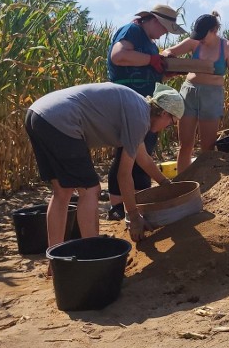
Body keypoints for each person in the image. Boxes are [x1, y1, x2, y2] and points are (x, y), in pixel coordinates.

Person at [24, 82, 185, 257]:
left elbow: (143, 159)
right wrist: (133, 215)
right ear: (163, 113)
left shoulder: (137, 109)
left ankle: (54, 259)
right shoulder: (139, 118)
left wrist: (164, 183)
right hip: (62, 120)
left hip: (38, 114)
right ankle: (94, 255)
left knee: (62, 192)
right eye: (171, 123)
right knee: (91, 190)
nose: (167, 128)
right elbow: (123, 175)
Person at [105, 4, 185, 220]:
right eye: (164, 29)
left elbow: (144, 70)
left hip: (148, 106)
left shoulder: (147, 42)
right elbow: (119, 56)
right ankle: (119, 207)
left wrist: (165, 72)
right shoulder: (132, 31)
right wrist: (152, 60)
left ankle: (136, 201)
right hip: (130, 103)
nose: (163, 34)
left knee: (141, 153)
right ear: (154, 21)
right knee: (127, 156)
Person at [162, 12, 229, 173]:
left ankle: (206, 184)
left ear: (214, 30)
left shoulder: (227, 47)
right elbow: (168, 51)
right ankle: (183, 181)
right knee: (185, 144)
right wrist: (168, 56)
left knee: (208, 147)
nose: (200, 38)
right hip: (189, 93)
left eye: (203, 35)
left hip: (212, 96)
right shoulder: (194, 42)